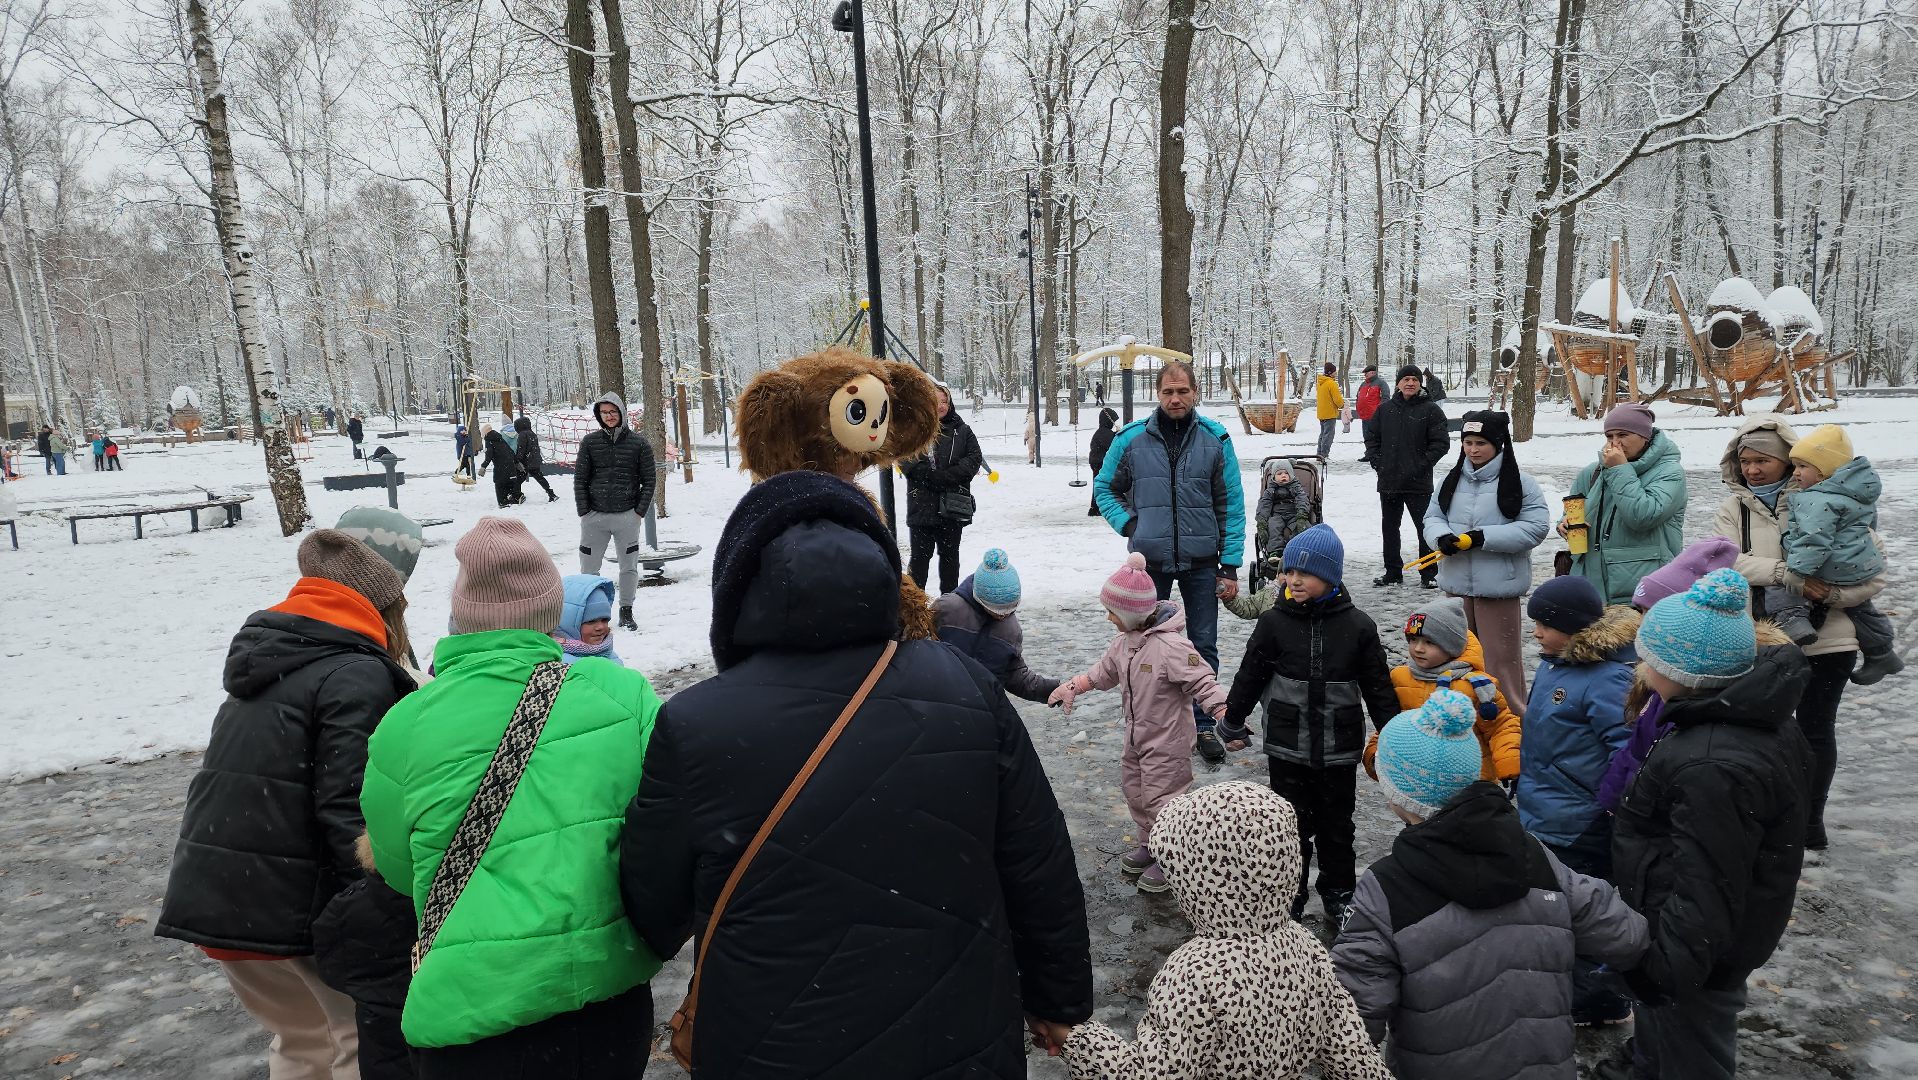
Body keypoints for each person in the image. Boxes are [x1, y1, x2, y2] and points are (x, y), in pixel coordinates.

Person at [619, 471, 1093, 1076]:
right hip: (955, 1035)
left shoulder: (694, 724)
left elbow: (654, 910)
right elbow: (1036, 859)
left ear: (738, 587)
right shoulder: (965, 685)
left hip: (773, 1043)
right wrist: (1058, 995)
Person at [361, 517, 663, 1078]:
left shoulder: (401, 726)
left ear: (463, 613)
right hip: (601, 998)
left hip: (471, 1012)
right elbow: (662, 836)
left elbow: (399, 871)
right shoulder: (626, 696)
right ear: (552, 612)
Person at [156, 529, 418, 1080]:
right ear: (382, 605)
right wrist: (375, 910)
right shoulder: (355, 673)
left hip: (225, 895)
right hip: (295, 909)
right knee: (352, 1043)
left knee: (303, 1044)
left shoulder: (271, 658)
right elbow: (351, 807)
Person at [1334, 690, 1647, 1080]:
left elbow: (1349, 1021)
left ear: (1399, 795)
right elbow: (1624, 934)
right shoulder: (1533, 854)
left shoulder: (1385, 888)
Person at [1605, 570, 1812, 1080]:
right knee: (1668, 1030)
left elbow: (1707, 884)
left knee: (1694, 1047)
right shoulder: (1734, 722)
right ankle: (1647, 1065)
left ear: (1679, 671)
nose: (1641, 667)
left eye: (1649, 659)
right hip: (1688, 936)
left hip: (1696, 952)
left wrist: (1668, 969)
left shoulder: (1712, 764)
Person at [1064, 781, 1392, 1080]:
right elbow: (1353, 1055)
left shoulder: (1193, 974)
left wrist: (1080, 1040)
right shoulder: (1306, 948)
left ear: (1197, 882)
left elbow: (1155, 1075)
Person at [1219, 524, 1398, 925]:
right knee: (1289, 826)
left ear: (1330, 577)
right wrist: (1232, 719)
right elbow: (1250, 675)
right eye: (1288, 571)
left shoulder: (1358, 626)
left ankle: (1338, 892)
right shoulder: (1273, 622)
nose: (1293, 579)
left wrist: (1392, 731)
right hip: (1288, 745)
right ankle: (1290, 893)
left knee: (1338, 826)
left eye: (1305, 573)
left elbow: (1377, 686)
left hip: (1338, 746)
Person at [1712, 416, 1876, 851]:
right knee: (1761, 730)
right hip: (1759, 638)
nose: (1752, 469)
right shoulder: (1733, 509)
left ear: (1788, 460)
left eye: (1763, 460)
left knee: (1815, 729)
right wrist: (1789, 575)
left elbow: (1870, 569)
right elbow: (1725, 560)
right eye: (1745, 461)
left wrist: (1832, 592)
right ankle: (1766, 816)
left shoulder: (1831, 499)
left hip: (1830, 638)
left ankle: (1809, 821)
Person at [1049, 552, 1231, 893]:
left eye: (1112, 613)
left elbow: (1203, 681)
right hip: (1136, 738)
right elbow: (1102, 674)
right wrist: (1074, 685)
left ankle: (1171, 856)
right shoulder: (1123, 643)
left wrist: (1224, 715)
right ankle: (1151, 844)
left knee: (1163, 800)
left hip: (1168, 741)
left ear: (1133, 614)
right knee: (1137, 793)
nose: (1108, 619)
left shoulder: (1172, 647)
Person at [1094, 360, 1245, 764]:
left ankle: (1203, 724)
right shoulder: (1131, 440)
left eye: (1182, 391)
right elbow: (1104, 488)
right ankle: (1149, 722)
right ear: (1157, 395)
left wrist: (1229, 564)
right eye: (1167, 392)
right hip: (1149, 566)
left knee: (1202, 645)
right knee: (1140, 645)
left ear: (1195, 392)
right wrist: (1129, 525)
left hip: (1202, 563)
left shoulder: (1216, 440)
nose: (1175, 399)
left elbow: (1230, 503)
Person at [1516, 574, 1638, 1025]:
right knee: (1554, 904)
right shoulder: (1557, 663)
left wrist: (1604, 808)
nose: (1535, 633)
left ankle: (1599, 999)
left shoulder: (1606, 679)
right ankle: (1566, 984)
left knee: (1584, 911)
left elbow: (1626, 752)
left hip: (1580, 818)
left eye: (1544, 625)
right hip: (1544, 806)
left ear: (1573, 628)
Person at [1599, 538, 1767, 815]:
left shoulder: (1697, 727)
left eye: (1648, 612)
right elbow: (1634, 754)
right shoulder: (1659, 688)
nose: (1640, 623)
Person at [1422, 410, 1548, 711]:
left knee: (1500, 661)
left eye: (1481, 443)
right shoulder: (1450, 480)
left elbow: (1535, 527)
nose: (1473, 450)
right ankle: (1462, 717)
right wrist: (1441, 538)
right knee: (1457, 658)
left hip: (1498, 589)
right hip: (1456, 588)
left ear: (1498, 443)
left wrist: (1482, 538)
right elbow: (1432, 517)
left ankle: (1512, 721)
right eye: (1468, 442)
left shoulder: (1521, 482)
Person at [1775, 424, 1901, 682]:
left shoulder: (1818, 498)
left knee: (1798, 594)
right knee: (1860, 607)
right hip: (1857, 559)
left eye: (1802, 466)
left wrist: (1797, 572)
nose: (1795, 473)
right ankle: (1881, 651)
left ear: (1823, 471)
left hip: (1833, 564)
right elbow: (1868, 527)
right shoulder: (1854, 491)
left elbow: (1813, 539)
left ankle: (1806, 631)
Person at [1361, 599, 1521, 790]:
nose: (1418, 648)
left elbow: (1501, 726)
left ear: (1451, 646)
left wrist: (1509, 762)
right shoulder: (1400, 677)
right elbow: (1392, 724)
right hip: (1418, 782)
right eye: (1413, 640)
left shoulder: (1475, 685)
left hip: (1469, 783)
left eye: (1429, 642)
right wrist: (1376, 754)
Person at [1560, 402, 1686, 605]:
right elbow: (1574, 509)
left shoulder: (1670, 473)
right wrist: (1565, 523)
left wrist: (1620, 469)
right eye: (1609, 436)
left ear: (1644, 436)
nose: (1615, 443)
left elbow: (1643, 516)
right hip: (1590, 584)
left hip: (1642, 588)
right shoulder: (1593, 472)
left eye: (1623, 435)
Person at [931, 548, 1059, 703]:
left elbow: (1014, 675)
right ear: (978, 596)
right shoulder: (947, 609)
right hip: (937, 697)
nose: (1003, 615)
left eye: (1009, 610)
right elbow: (917, 645)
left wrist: (1050, 689)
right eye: (996, 610)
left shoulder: (1010, 630)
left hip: (982, 705)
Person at [574, 393, 655, 632]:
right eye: (604, 412)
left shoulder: (639, 444)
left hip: (627, 517)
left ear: (621, 413)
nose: (609, 416)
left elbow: (649, 480)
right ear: (599, 415)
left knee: (628, 566)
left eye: (613, 412)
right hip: (594, 518)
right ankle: (592, 612)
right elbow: (580, 479)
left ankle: (626, 610)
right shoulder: (590, 443)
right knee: (589, 568)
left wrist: (638, 512)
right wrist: (584, 511)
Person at [1363, 364, 1449, 588]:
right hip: (1389, 482)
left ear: (1420, 383)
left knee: (1425, 530)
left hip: (1418, 483)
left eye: (1414, 379)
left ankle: (1429, 573)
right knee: (1390, 529)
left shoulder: (1431, 410)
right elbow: (1372, 438)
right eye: (1406, 379)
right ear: (1398, 383)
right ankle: (1392, 572)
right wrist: (1378, 462)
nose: (1410, 383)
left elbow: (1441, 443)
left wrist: (1422, 464)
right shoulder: (1385, 410)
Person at [901, 382, 984, 594]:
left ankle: (949, 607)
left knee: (950, 561)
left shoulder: (962, 430)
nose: (941, 406)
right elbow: (905, 459)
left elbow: (974, 458)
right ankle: (915, 609)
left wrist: (949, 476)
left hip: (951, 509)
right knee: (919, 562)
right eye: (936, 401)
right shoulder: (914, 430)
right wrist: (929, 476)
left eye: (944, 401)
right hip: (922, 508)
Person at [553, 573, 623, 666]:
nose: (600, 627)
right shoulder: (561, 664)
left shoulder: (607, 652)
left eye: (605, 620)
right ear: (566, 623)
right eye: (591, 621)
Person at [511, 415, 557, 502]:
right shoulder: (532, 433)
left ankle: (516, 495)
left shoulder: (522, 434)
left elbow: (521, 448)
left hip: (526, 461)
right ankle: (550, 493)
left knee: (518, 478)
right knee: (539, 477)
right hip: (534, 460)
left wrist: (517, 459)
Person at [477, 424, 524, 508]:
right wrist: (517, 463)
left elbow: (489, 455)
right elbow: (510, 451)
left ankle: (503, 502)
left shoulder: (489, 440)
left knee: (499, 483)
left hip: (501, 467)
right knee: (509, 482)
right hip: (510, 466)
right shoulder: (500, 438)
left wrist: (483, 466)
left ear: (484, 433)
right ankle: (516, 497)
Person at [1086, 405, 1119, 515]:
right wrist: (1118, 434)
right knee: (1100, 485)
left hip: (1097, 462)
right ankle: (1095, 508)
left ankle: (1095, 507)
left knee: (1099, 484)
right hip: (1099, 462)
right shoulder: (1104, 432)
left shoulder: (1103, 432)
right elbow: (1112, 443)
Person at [1354, 364, 1386, 464]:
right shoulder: (1363, 384)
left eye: (1366, 373)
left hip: (1375, 416)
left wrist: (1379, 411)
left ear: (1373, 372)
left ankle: (1378, 454)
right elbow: (1358, 397)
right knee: (1366, 436)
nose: (1365, 375)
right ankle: (1369, 454)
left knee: (1376, 437)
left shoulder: (1381, 383)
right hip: (1364, 416)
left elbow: (1385, 398)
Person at [1315, 362, 1345, 459]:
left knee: (1323, 434)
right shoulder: (1331, 383)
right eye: (1334, 372)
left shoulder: (1320, 383)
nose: (1335, 374)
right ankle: (1324, 455)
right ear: (1330, 372)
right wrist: (1342, 404)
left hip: (1321, 413)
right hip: (1330, 413)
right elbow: (1337, 399)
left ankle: (1319, 454)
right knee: (1328, 435)